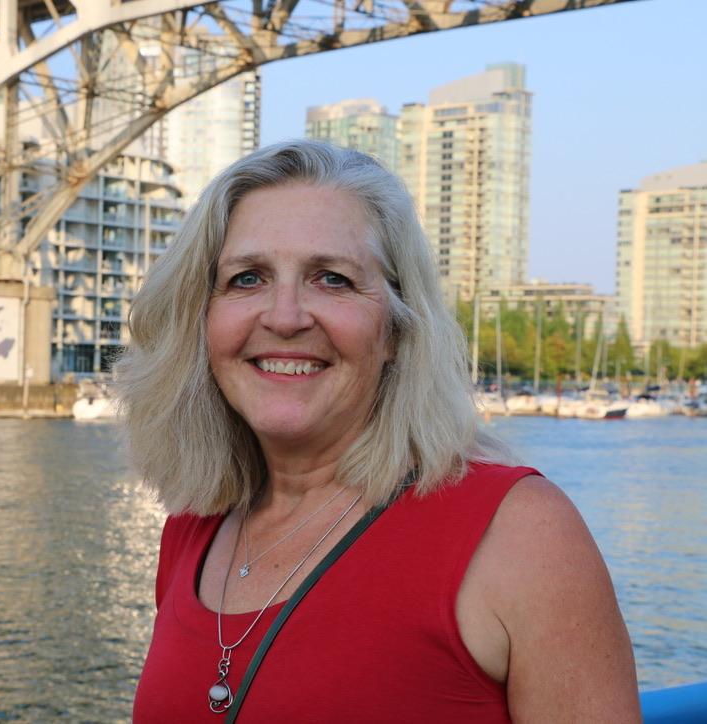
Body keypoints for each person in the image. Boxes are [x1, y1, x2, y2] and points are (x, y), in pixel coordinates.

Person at [116, 140, 639, 722]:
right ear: (201, 319)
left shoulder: (522, 535)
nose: (285, 316)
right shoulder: (192, 528)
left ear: (396, 328)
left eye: (333, 279)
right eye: (246, 279)